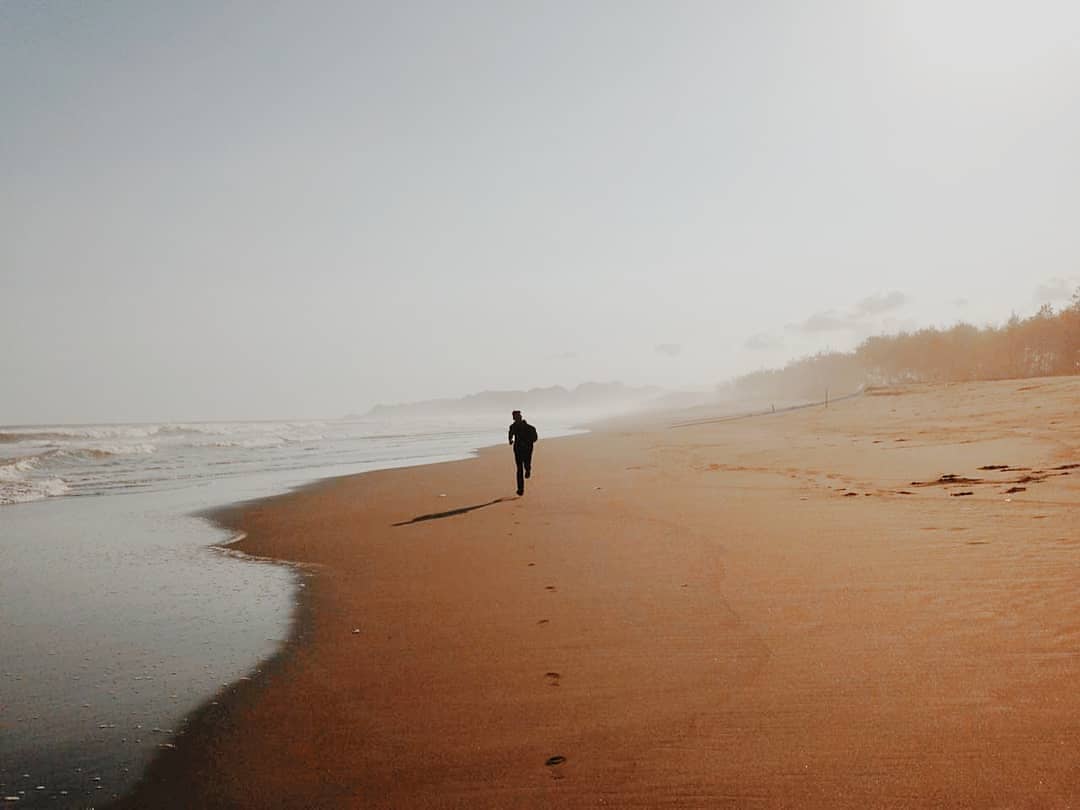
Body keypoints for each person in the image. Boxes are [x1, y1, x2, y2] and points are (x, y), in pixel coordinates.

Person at [508, 410, 538, 496]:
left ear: (519, 417)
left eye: (516, 416)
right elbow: (510, 435)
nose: (515, 418)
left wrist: (527, 442)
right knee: (519, 468)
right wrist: (510, 440)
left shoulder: (530, 428)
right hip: (518, 449)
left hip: (527, 449)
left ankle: (528, 470)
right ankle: (520, 489)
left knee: (526, 464)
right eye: (514, 416)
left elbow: (535, 439)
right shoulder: (512, 427)